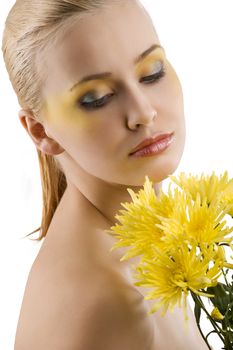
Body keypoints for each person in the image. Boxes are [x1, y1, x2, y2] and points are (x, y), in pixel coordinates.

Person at [2, 0, 209, 349]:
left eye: (152, 71)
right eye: (96, 98)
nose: (143, 113)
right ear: (40, 131)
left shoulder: (144, 245)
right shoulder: (109, 301)